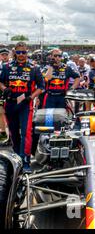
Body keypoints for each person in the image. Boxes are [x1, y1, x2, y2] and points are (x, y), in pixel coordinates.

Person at [0, 42, 44, 171]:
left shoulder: (34, 68)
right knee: (13, 133)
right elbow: (0, 82)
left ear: (27, 52)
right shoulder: (7, 66)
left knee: (26, 132)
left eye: (23, 52)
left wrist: (32, 96)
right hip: (11, 103)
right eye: (18, 52)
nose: (21, 55)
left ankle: (25, 160)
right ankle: (17, 157)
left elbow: (41, 87)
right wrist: (4, 88)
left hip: (26, 104)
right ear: (14, 53)